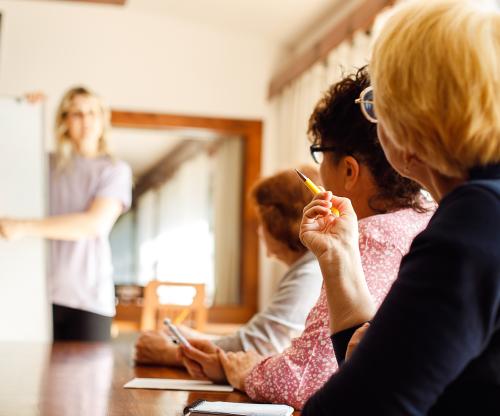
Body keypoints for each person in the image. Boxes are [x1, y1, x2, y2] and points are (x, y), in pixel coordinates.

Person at [183, 68, 433, 409]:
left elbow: (307, 376)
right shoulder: (428, 219)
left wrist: (245, 371)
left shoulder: (373, 235)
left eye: (320, 156)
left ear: (348, 170)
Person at [298, 1, 500, 414]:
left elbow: (360, 405)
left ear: (411, 115)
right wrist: (340, 258)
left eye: (375, 103)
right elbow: (383, 374)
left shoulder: (475, 221)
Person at [134, 166, 324, 369]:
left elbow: (258, 345)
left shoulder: (310, 273)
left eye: (261, 221)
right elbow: (257, 338)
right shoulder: (306, 269)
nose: (259, 231)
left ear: (277, 222)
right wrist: (195, 339)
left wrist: (172, 353)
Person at [0, 86, 132, 341]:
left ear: (103, 119)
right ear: (64, 121)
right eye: (77, 114)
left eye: (92, 113)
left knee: (84, 381)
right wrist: (23, 114)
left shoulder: (115, 170)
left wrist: (23, 227)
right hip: (37, 296)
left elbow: (94, 224)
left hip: (88, 300)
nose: (86, 121)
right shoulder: (45, 165)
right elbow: (10, 156)